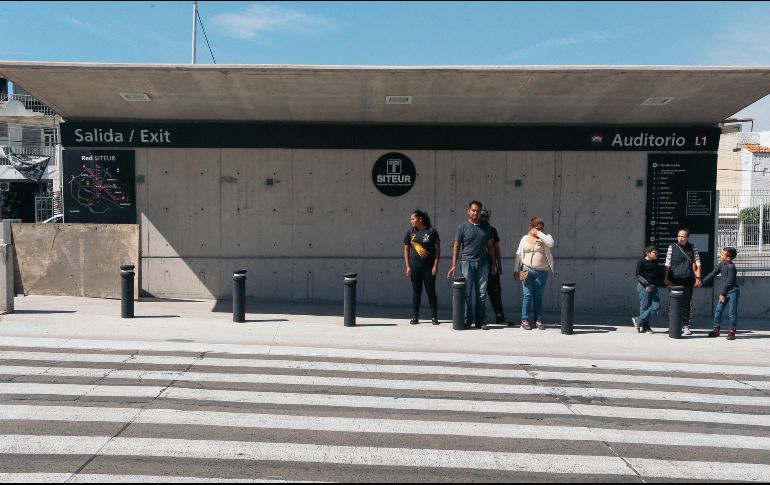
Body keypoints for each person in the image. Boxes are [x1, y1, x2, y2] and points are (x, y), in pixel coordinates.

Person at [447, 201, 497, 329]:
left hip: (483, 264)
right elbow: (456, 246)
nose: (476, 213)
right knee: (467, 293)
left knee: (481, 294)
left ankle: (480, 321)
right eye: (473, 210)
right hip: (466, 263)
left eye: (478, 211)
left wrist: (493, 263)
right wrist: (453, 265)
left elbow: (490, 246)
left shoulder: (487, 227)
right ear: (468, 211)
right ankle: (468, 320)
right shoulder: (462, 227)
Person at [513, 216, 555, 330]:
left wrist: (540, 234)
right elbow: (518, 254)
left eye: (541, 229)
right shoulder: (524, 238)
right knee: (527, 295)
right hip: (525, 269)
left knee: (538, 296)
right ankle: (524, 320)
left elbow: (551, 243)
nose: (539, 230)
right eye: (537, 228)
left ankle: (538, 320)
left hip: (541, 272)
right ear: (530, 227)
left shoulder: (546, 238)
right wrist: (515, 270)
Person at [403, 210, 440, 325]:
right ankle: (415, 317)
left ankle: (434, 317)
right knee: (416, 292)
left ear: (420, 219)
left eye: (412, 219)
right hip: (415, 268)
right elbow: (406, 249)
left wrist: (435, 265)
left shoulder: (431, 231)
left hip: (429, 268)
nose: (411, 221)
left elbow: (437, 250)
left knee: (431, 292)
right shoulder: (410, 232)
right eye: (410, 219)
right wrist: (408, 266)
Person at [663, 228, 702, 336]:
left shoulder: (692, 247)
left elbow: (697, 263)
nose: (680, 238)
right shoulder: (672, 247)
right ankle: (673, 325)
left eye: (683, 236)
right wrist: (666, 278)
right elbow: (667, 264)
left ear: (688, 237)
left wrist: (698, 278)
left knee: (686, 303)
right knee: (673, 303)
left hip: (688, 279)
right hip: (674, 279)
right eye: (679, 236)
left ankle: (686, 326)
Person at [701, 247, 740, 340]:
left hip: (733, 292)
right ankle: (716, 330)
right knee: (718, 311)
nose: (720, 255)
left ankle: (732, 332)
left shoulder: (731, 267)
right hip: (725, 292)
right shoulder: (722, 264)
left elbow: (729, 282)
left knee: (732, 313)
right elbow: (713, 273)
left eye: (722, 254)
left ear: (728, 258)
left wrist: (723, 293)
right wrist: (702, 282)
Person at [479, 210, 507, 329]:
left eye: (485, 216)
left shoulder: (492, 230)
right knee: (480, 292)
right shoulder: (475, 229)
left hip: (491, 265)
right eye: (481, 216)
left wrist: (498, 264)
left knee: (495, 291)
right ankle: (481, 316)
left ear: (488, 218)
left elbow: (496, 248)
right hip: (478, 264)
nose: (483, 218)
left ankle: (499, 315)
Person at [632, 245, 660, 334]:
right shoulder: (641, 261)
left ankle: (638, 319)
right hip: (643, 286)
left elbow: (658, 274)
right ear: (648, 253)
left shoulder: (655, 262)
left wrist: (667, 282)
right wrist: (646, 285)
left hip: (653, 286)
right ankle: (645, 327)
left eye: (657, 252)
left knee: (656, 306)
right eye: (654, 253)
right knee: (644, 307)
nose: (656, 254)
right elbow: (637, 275)